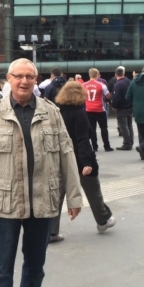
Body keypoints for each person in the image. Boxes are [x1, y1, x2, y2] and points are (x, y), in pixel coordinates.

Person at [0, 58, 83, 287]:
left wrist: (73, 196)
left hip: (43, 201)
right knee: (2, 269)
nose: (24, 81)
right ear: (8, 79)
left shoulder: (51, 112)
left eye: (29, 76)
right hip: (8, 201)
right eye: (19, 76)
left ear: (36, 80)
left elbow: (66, 154)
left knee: (35, 266)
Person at [50, 81, 115, 241]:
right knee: (93, 191)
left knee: (57, 195)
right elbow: (83, 140)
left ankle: (51, 231)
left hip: (59, 158)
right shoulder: (80, 114)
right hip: (79, 158)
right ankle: (103, 220)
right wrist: (87, 162)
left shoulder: (56, 113)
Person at [83, 68, 113, 152]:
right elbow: (108, 96)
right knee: (104, 128)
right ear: (97, 75)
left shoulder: (84, 85)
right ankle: (107, 146)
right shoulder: (101, 85)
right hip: (99, 109)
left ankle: (95, 146)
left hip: (88, 109)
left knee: (92, 128)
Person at [111, 67, 133, 150]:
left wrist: (114, 106)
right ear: (123, 73)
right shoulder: (129, 82)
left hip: (121, 108)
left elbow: (116, 97)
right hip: (130, 106)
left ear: (115, 75)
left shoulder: (118, 84)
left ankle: (127, 143)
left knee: (123, 126)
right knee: (129, 125)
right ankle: (131, 141)